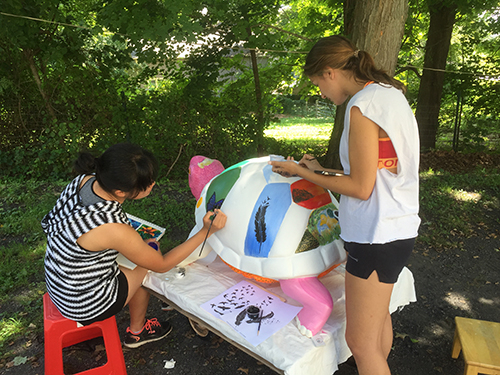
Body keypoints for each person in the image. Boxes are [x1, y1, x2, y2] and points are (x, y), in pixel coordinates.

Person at [269, 35, 420, 375]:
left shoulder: (361, 106)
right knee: (377, 321)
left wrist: (296, 171)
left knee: (360, 343)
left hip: (375, 235)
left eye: (318, 84)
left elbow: (360, 187)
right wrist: (319, 170)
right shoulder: (389, 94)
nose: (321, 93)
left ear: (330, 72)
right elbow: (375, 173)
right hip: (397, 228)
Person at [42, 143, 226, 348]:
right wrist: (204, 231)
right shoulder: (112, 228)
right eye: (148, 183)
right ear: (121, 191)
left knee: (138, 255)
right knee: (148, 260)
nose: (153, 184)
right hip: (84, 301)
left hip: (59, 279)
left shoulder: (84, 181)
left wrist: (131, 243)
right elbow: (162, 264)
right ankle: (137, 332)